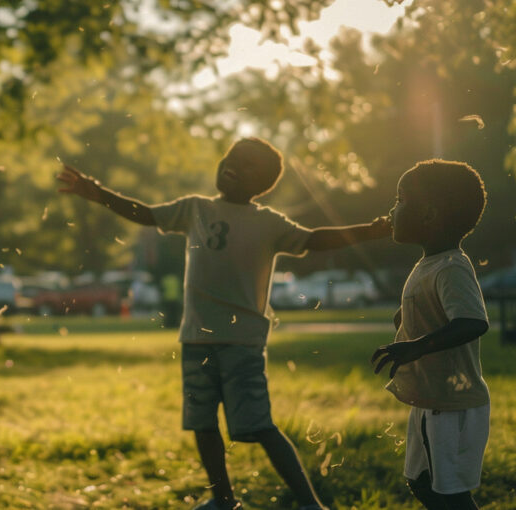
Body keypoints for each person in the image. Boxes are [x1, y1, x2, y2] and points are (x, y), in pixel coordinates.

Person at [58, 137, 391, 510]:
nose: (233, 164)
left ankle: (310, 504)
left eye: (247, 164)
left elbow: (315, 240)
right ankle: (224, 500)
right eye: (232, 157)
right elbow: (146, 214)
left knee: (260, 425)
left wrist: (368, 231)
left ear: (262, 184)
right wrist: (98, 192)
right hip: (196, 339)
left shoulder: (268, 223)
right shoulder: (195, 209)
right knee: (202, 423)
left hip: (241, 342)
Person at [371, 160, 490, 510]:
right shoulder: (429, 264)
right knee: (421, 484)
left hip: (452, 405)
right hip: (432, 399)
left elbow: (472, 322)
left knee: (449, 495)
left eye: (401, 199)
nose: (393, 209)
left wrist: (416, 347)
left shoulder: (452, 266)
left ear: (428, 215)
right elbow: (426, 313)